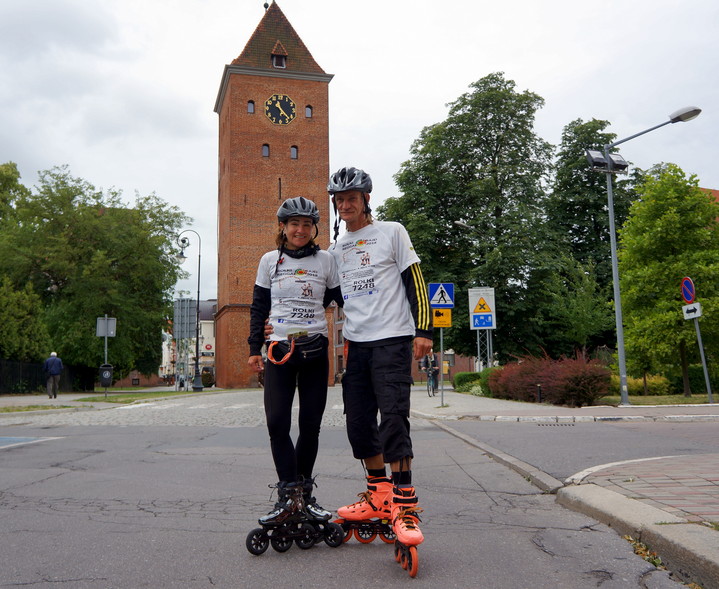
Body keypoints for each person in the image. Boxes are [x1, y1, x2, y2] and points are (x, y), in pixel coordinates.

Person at [328, 166, 433, 552]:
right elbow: (330, 296)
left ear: (366, 199)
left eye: (352, 198)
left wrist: (424, 331)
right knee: (357, 422)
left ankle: (404, 502)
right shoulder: (337, 250)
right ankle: (378, 493)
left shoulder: (392, 232)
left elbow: (415, 282)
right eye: (340, 200)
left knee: (392, 418)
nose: (345, 204)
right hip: (356, 345)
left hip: (392, 340)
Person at [248, 196, 342, 525]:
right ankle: (287, 495)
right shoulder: (269, 261)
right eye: (294, 224)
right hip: (279, 352)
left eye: (306, 224)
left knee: (310, 426)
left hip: (315, 350)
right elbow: (259, 306)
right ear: (283, 228)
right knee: (277, 423)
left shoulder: (327, 261)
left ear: (314, 228)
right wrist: (253, 348)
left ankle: (305, 493)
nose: (300, 230)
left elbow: (338, 298)